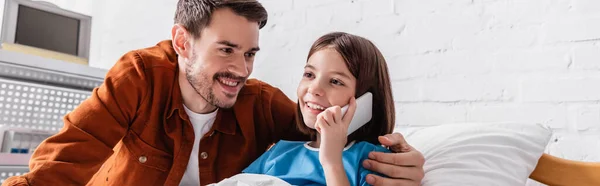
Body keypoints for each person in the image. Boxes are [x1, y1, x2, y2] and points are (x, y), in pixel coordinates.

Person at [2, 1, 424, 186]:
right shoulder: (140, 77)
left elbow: (322, 128)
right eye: (226, 50)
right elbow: (65, 163)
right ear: (182, 43)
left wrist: (401, 155)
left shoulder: (260, 103)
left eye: (250, 53)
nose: (240, 70)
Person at [213, 32, 400, 186]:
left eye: (335, 81)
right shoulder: (279, 152)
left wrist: (331, 161)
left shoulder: (373, 160)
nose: (314, 89)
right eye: (309, 74)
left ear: (366, 101)